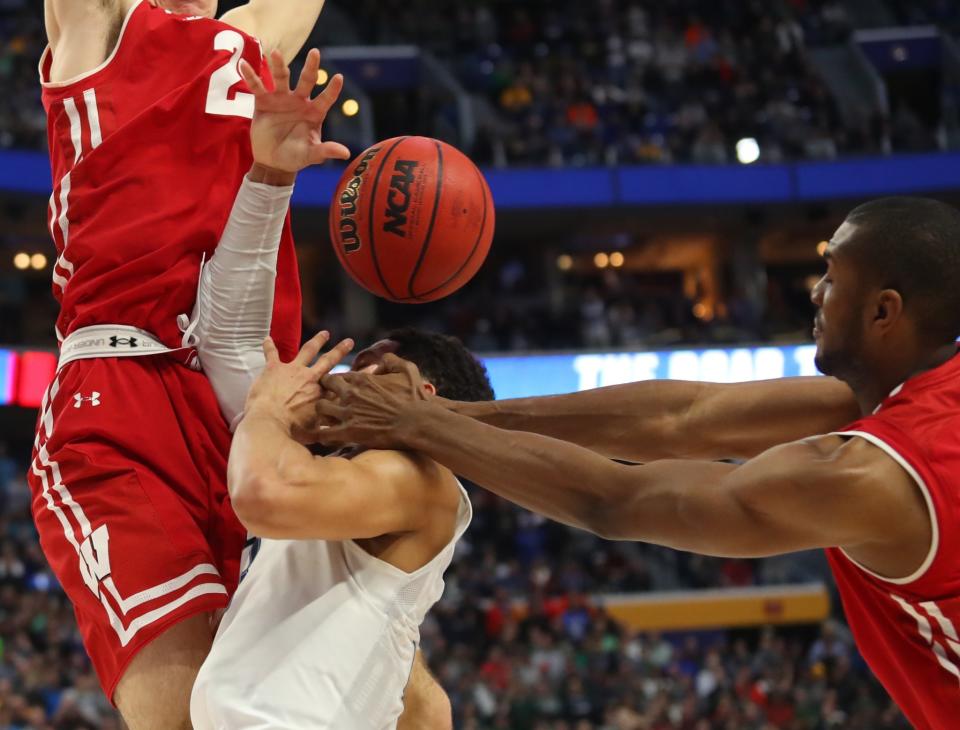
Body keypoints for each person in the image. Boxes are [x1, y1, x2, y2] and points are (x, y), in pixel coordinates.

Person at [319, 197, 960, 729]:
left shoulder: (872, 476)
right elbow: (683, 419)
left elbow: (618, 500)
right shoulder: (910, 392)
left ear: (884, 312)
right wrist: (450, 416)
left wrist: (421, 422)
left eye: (832, 276)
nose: (815, 293)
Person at [34, 0, 346, 726]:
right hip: (120, 397)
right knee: (183, 710)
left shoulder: (247, 41)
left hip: (249, 415)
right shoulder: (103, 25)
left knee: (404, 700)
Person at [189, 328, 494, 728]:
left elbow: (261, 494)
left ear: (422, 393)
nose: (335, 381)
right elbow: (425, 707)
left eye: (364, 369)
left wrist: (268, 409)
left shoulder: (421, 474)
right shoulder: (347, 482)